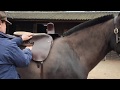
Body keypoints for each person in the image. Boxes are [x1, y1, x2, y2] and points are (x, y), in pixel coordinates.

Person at [0, 11, 33, 79]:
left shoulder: (6, 45)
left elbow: (3, 45)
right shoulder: (8, 45)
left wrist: (20, 39)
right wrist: (28, 50)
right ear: (0, 23)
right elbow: (24, 61)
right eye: (5, 23)